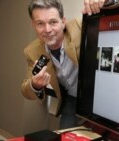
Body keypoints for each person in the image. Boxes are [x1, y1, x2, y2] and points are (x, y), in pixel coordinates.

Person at [21, 0, 105, 129]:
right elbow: (26, 90)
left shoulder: (79, 26)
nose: (47, 30)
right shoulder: (32, 51)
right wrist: (35, 85)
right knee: (65, 135)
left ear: (63, 21)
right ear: (33, 25)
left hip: (97, 96)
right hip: (71, 98)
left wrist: (105, 2)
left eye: (53, 22)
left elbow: (107, 18)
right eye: (40, 24)